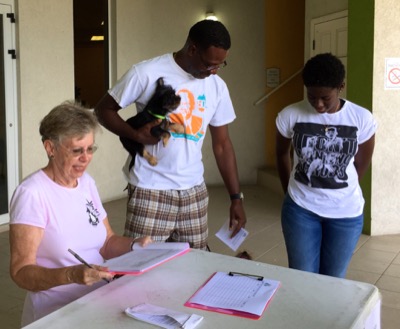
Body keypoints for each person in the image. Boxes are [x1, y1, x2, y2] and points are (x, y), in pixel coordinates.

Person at [94, 19, 246, 250]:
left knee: (194, 268)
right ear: (192, 49)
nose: (213, 71)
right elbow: (103, 110)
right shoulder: (146, 72)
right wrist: (135, 135)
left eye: (219, 65)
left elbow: (222, 144)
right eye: (208, 64)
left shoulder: (216, 86)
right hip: (150, 190)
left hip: (194, 191)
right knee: (140, 270)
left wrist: (236, 198)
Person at [9, 101, 152, 326]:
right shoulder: (32, 194)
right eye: (77, 150)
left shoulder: (86, 183)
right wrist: (72, 275)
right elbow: (21, 272)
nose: (86, 158)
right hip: (57, 312)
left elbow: (107, 241)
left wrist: (137, 246)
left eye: (90, 149)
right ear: (50, 148)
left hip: (97, 300)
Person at [275, 53, 377, 278]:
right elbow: (282, 154)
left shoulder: (361, 118)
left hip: (346, 214)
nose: (318, 104)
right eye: (312, 97)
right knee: (302, 278)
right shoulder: (290, 115)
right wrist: (290, 192)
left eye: (325, 98)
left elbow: (361, 163)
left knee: (333, 279)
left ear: (341, 87)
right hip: (300, 210)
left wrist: (339, 188)